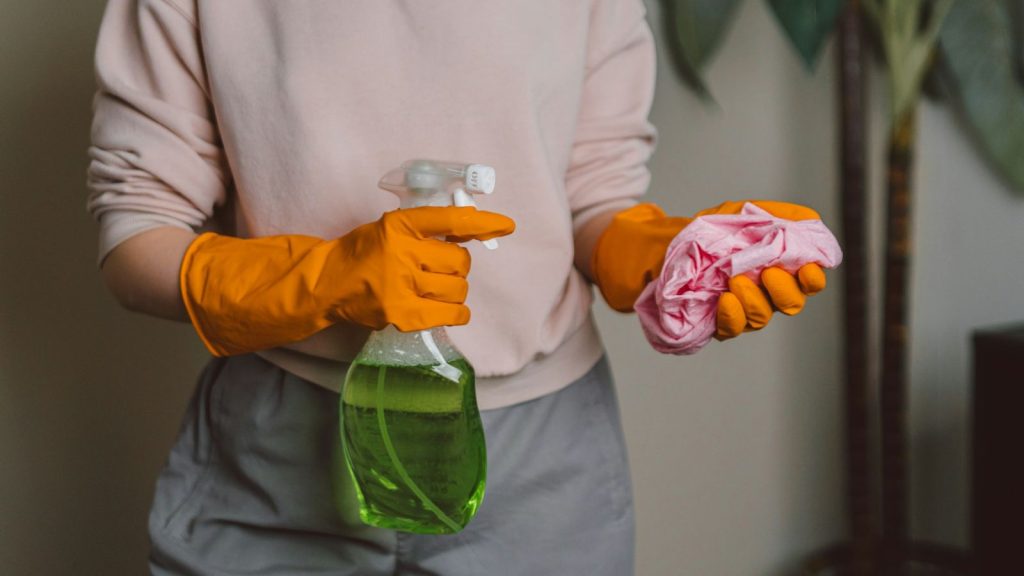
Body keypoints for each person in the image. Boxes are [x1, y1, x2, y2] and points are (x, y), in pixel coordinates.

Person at [87, 1, 827, 574]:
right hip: (277, 447)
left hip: (542, 461)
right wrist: (315, 280)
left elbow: (593, 189)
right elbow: (138, 234)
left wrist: (651, 251)